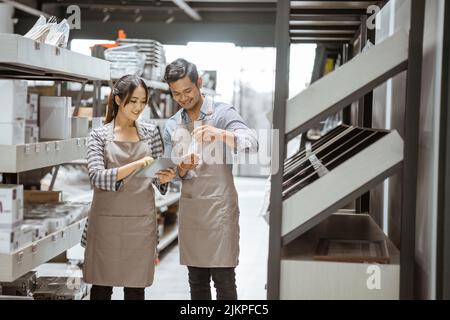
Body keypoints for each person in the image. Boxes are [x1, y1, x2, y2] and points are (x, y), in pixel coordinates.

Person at [163, 58, 258, 300]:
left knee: (224, 282)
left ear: (199, 83)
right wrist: (180, 169)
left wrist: (221, 134)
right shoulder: (172, 125)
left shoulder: (223, 113)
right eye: (176, 94)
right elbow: (167, 177)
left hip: (219, 212)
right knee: (197, 284)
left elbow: (253, 144)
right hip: (192, 212)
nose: (183, 98)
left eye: (188, 90)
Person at [81, 75, 176, 300]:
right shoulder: (99, 135)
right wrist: (135, 164)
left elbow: (153, 177)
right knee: (101, 287)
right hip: (106, 225)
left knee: (136, 288)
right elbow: (97, 178)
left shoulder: (151, 133)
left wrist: (164, 178)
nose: (138, 107)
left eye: (142, 101)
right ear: (117, 99)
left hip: (140, 224)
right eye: (133, 101)